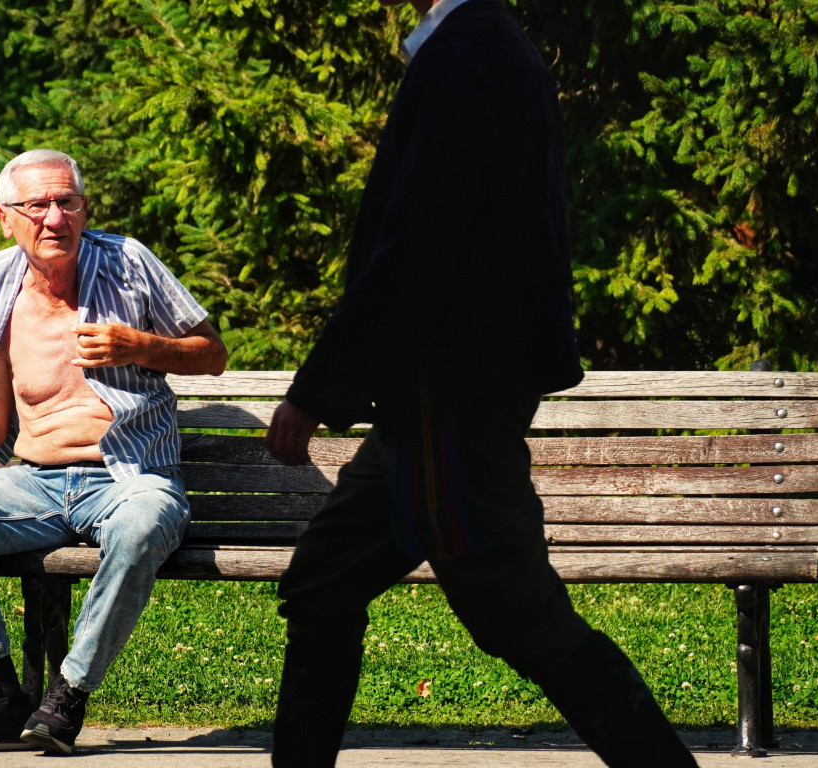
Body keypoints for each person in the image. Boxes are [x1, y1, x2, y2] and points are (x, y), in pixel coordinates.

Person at [263, 1, 698, 766]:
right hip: (429, 410)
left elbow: (417, 245)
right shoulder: (491, 47)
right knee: (323, 582)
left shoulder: (467, 54)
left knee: (520, 614)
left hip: (449, 405)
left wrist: (317, 387)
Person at [0, 149, 227, 755]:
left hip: (130, 476)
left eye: (68, 202)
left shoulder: (130, 264)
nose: (55, 217)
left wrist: (140, 346)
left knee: (143, 526)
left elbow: (212, 354)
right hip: (33, 481)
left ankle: (66, 694)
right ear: (5, 218)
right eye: (38, 205)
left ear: (85, 210)